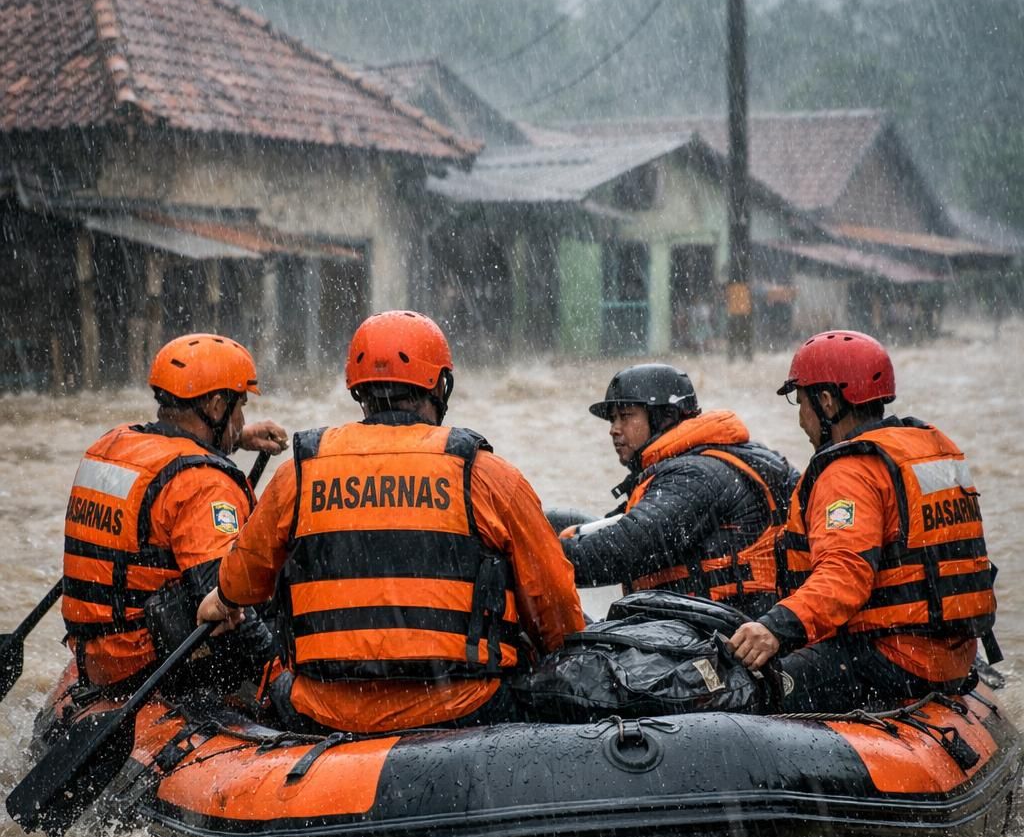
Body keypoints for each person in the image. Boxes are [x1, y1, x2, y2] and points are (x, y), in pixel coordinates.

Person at [197, 311, 584, 735]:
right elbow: (553, 602)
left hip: (324, 710)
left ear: (357, 389)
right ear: (439, 386)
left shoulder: (299, 475)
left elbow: (240, 583)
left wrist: (224, 599)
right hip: (463, 707)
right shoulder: (487, 475)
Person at [728, 329, 998, 712]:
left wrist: (775, 627)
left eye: (801, 402)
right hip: (951, 655)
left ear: (826, 401)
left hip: (891, 658)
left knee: (741, 691)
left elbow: (843, 576)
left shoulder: (850, 472)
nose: (801, 418)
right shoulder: (927, 448)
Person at [62, 333, 288, 692]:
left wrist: (238, 436)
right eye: (240, 407)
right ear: (217, 407)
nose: (242, 417)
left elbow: (171, 452)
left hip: (95, 651)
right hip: (147, 664)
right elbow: (226, 602)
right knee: (275, 592)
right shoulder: (204, 483)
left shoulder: (112, 445)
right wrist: (279, 677)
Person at [560, 364, 798, 616]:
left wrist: (541, 560)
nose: (614, 429)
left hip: (729, 628)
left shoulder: (695, 474)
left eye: (626, 415)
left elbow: (625, 549)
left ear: (664, 417)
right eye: (612, 419)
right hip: (700, 621)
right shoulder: (683, 467)